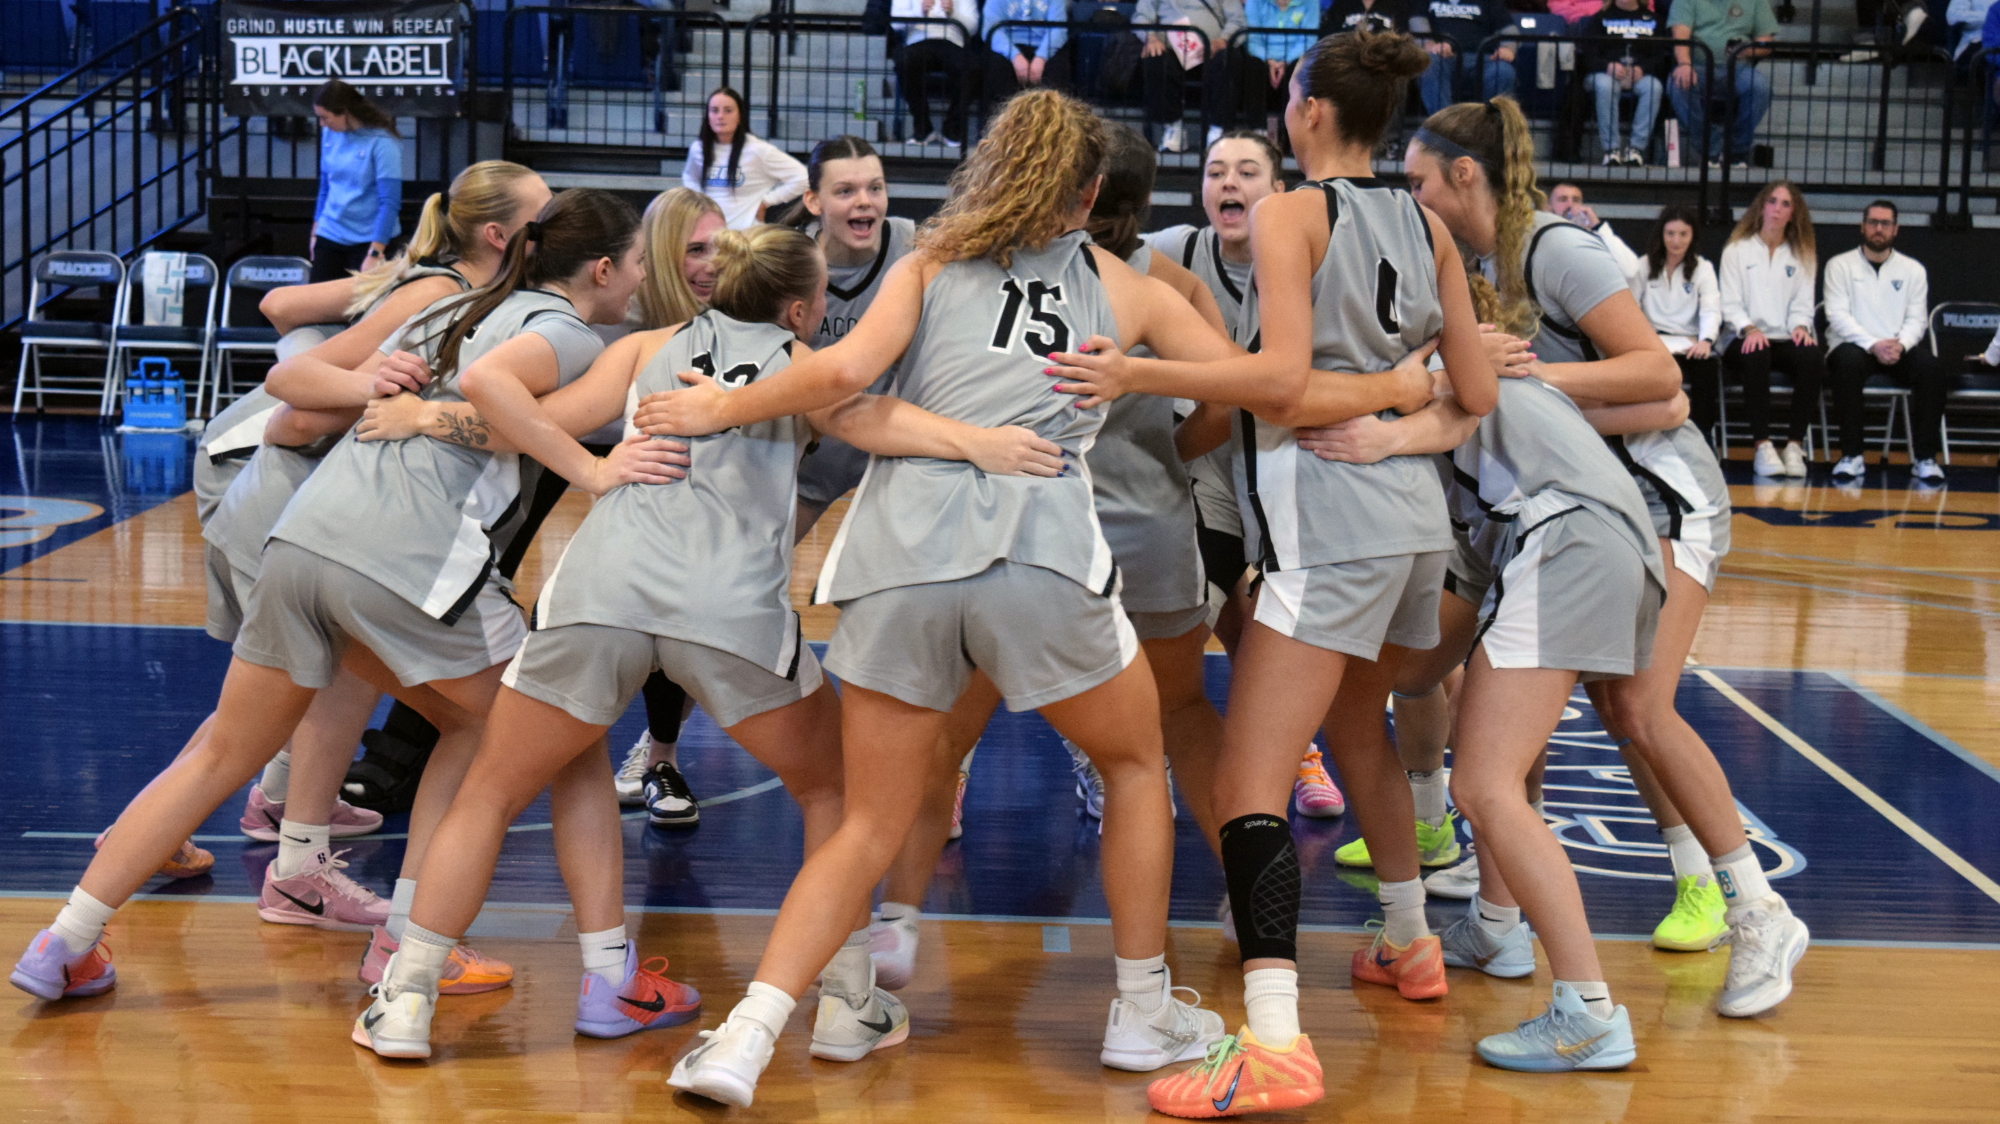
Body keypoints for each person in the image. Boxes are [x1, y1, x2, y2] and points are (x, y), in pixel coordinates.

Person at [642, 89, 1240, 1109]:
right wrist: (1135, 375)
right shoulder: (1120, 284)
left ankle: (743, 1040)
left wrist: (719, 406)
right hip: (1040, 554)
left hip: (899, 559)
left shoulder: (924, 264)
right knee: (1137, 762)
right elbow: (1245, 382)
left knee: (865, 823)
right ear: (1089, 194)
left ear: (988, 168)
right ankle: (1142, 1010)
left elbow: (837, 376)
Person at [9, 188, 641, 1007]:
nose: (640, 278)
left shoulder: (448, 305)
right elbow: (493, 394)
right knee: (507, 727)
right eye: (635, 264)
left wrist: (418, 408)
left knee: (221, 754)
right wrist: (586, 467)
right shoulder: (565, 332)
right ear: (602, 269)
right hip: (404, 553)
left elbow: (311, 383)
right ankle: (411, 946)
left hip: (303, 538)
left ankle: (64, 941)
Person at [1047, 32, 1494, 1114]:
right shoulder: (1427, 222)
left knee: (1248, 784)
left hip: (1326, 521)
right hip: (1411, 524)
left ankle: (1278, 1044)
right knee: (1356, 732)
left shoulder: (1296, 213)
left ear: (1306, 112)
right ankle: (1409, 940)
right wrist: (1397, 413)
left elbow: (1284, 382)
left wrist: (1135, 371)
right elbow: (1473, 393)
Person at [1388, 98, 1809, 1060]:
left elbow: (1661, 383)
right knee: (1512, 710)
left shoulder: (1554, 250)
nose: (1408, 201)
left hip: (1661, 496)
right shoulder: (1480, 267)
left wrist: (1520, 382)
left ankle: (1754, 906)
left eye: (1416, 182)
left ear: (1463, 175)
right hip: (1568, 503)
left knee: (1638, 709)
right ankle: (1499, 919)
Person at [1142, 131, 1348, 831]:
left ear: (1278, 192)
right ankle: (1126, 761)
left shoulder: (1306, 260)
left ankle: (1297, 750)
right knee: (1192, 623)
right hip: (1200, 468)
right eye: (1215, 171)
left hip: (1283, 469)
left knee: (1258, 627)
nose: (1228, 183)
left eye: (1247, 171)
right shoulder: (1172, 251)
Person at [611, 186, 731, 826]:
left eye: (721, 246)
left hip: (727, 533)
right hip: (642, 533)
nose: (713, 263)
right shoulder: (626, 332)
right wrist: (593, 468)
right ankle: (656, 755)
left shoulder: (748, 327)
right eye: (695, 250)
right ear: (661, 255)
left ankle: (659, 755)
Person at [1823, 200, 1946, 482]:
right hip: (1855, 345)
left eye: (1885, 223)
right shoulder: (1839, 265)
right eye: (1873, 222)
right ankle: (1852, 456)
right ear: (1863, 226)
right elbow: (1836, 315)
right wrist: (1872, 344)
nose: (1878, 228)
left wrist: (1900, 345)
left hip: (1897, 347)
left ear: (1895, 229)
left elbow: (1917, 319)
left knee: (1932, 369)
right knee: (1846, 363)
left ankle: (1925, 459)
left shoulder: (1913, 270)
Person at [1719, 179, 1822, 478]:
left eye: (1785, 204)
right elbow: (1729, 303)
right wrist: (1749, 328)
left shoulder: (1802, 254)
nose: (1777, 209)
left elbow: (1803, 303)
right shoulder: (1736, 250)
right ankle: (1762, 445)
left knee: (1812, 356)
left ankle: (1794, 446)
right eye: (1772, 201)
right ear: (1761, 207)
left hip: (1784, 337)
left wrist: (1800, 326)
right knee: (1757, 353)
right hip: (1742, 337)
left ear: (1793, 214)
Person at [1635, 204, 1724, 438]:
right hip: (1653, 341)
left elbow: (1711, 308)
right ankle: (1647, 437)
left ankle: (1702, 437)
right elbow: (1630, 307)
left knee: (1707, 368)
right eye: (1670, 233)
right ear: (1661, 234)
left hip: (1689, 342)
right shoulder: (1644, 265)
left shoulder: (1703, 268)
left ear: (1692, 236)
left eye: (1683, 234)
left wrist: (1706, 340)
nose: (1676, 241)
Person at [309, 80, 404, 284]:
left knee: (361, 302)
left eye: (325, 117)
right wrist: (315, 232)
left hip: (368, 239)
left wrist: (375, 252)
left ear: (345, 112)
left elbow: (389, 202)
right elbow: (325, 187)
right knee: (316, 300)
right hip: (330, 232)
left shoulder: (383, 143)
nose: (321, 124)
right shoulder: (329, 134)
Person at [1133, 0, 1256, 151]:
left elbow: (1237, 20)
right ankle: (1173, 126)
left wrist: (1222, 40)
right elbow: (1141, 15)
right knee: (1155, 57)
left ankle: (1218, 130)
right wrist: (1150, 37)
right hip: (1170, 48)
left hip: (1214, 48)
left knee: (1229, 59)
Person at [1666, 0, 1776, 167]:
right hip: (1698, 66)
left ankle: (1737, 151)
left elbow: (1766, 40)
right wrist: (1684, 64)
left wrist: (1747, 49)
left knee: (1760, 87)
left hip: (1738, 67)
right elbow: (1680, 35)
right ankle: (1711, 149)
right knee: (1678, 84)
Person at [682, 88, 809, 229]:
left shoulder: (757, 150)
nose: (720, 116)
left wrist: (766, 202)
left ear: (740, 116)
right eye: (714, 110)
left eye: (728, 110)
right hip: (709, 233)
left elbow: (803, 177)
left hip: (747, 234)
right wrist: (699, 202)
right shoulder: (698, 149)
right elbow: (689, 178)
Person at [1578, 0, 1670, 165]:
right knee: (1606, 85)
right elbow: (1587, 55)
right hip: (1603, 74)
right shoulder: (1599, 18)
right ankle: (1611, 150)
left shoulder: (1653, 20)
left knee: (1654, 87)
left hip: (1639, 76)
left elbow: (1660, 56)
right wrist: (1607, 67)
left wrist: (1642, 69)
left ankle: (1636, 149)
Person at [891, 0, 979, 145]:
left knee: (973, 67)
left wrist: (953, 14)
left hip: (953, 42)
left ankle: (952, 128)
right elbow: (895, 22)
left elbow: (973, 27)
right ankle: (922, 128)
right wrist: (920, 12)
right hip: (917, 41)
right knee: (903, 62)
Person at [1413, 0, 1519, 114]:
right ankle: (1445, 121)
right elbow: (1416, 23)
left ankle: (1489, 120)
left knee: (1503, 70)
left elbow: (1509, 30)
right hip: (1442, 57)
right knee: (1429, 64)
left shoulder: (1489, 2)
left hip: (1482, 57)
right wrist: (1430, 45)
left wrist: (1507, 48)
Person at [1246, 0, 1321, 138]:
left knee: (1300, 69)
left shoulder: (1311, 2)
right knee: (1254, 67)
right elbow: (1253, 39)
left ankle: (1292, 135)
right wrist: (1269, 61)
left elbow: (1309, 40)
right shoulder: (1254, 2)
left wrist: (1286, 61)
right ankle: (1257, 133)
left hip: (1295, 57)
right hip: (1262, 58)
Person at [982, 0, 1073, 108]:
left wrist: (1041, 57)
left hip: (1045, 46)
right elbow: (991, 31)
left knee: (1058, 69)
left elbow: (1058, 31)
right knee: (998, 69)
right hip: (1008, 48)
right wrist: (1015, 57)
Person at [1549, 181, 1643, 280]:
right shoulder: (1542, 235)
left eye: (1576, 200)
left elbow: (1630, 270)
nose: (1570, 204)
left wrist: (1597, 226)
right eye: (1563, 200)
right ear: (1549, 208)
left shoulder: (1592, 237)